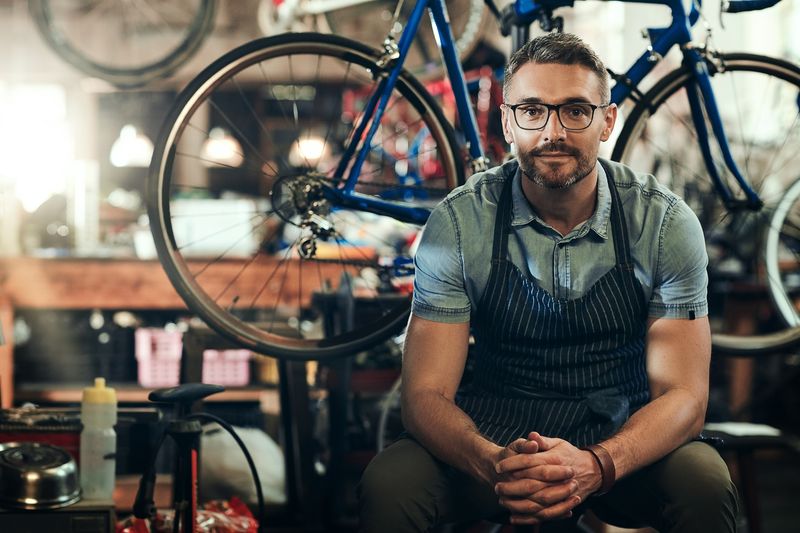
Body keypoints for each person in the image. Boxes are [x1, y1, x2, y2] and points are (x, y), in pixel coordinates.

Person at [358, 32, 739, 532]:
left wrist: (600, 463)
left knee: (704, 482)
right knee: (390, 483)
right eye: (532, 110)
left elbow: (686, 398)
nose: (552, 131)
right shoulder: (459, 223)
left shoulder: (663, 223)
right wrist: (491, 461)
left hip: (622, 430)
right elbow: (424, 395)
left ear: (607, 122)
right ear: (507, 121)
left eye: (575, 111)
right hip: (495, 433)